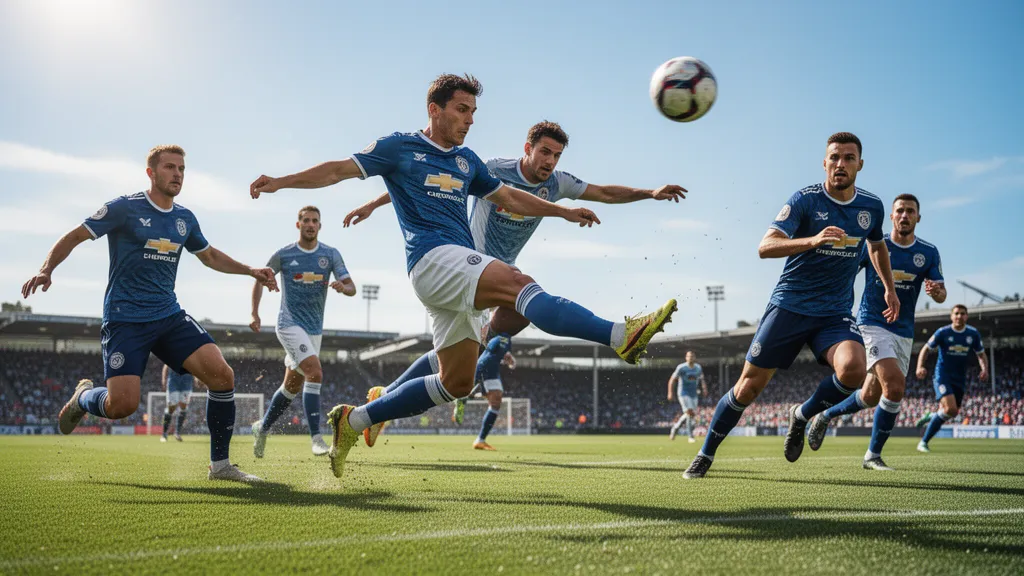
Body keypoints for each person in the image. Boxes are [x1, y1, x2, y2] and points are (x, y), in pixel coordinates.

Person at [248, 74, 677, 481]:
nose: (470, 119)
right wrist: (281, 183)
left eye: (473, 112)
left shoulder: (467, 161)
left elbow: (508, 196)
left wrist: (562, 211)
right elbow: (338, 169)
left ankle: (355, 419)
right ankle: (620, 334)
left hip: (459, 269)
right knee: (518, 285)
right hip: (432, 259)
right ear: (434, 109)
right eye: (462, 109)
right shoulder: (399, 146)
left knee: (457, 381)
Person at [344, 120, 686, 447]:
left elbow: (603, 192)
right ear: (528, 148)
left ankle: (379, 402)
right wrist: (374, 203)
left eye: (556, 155)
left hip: (495, 273)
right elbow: (428, 180)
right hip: (461, 264)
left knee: (470, 360)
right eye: (545, 152)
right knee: (523, 294)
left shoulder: (556, 184)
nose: (550, 162)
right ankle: (619, 336)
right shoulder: (492, 168)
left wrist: (650, 193)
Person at [22, 144, 277, 483]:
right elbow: (75, 235)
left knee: (222, 376)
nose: (177, 174)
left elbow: (210, 256)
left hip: (168, 315)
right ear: (151, 173)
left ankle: (221, 466)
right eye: (170, 167)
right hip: (125, 319)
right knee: (122, 406)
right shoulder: (124, 208)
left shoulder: (184, 218)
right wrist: (46, 269)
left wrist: (250, 270)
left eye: (182, 169)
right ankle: (83, 397)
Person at [683, 132, 898, 479]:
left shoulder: (871, 207)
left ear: (860, 164)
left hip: (834, 313)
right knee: (747, 388)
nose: (840, 164)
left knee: (854, 370)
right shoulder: (805, 200)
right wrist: (812, 240)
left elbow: (877, 246)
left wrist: (889, 288)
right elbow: (765, 246)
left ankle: (802, 415)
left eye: (848, 158)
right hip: (790, 306)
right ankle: (705, 453)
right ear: (824, 163)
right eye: (834, 158)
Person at [805, 194, 945, 470]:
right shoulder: (875, 244)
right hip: (871, 323)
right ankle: (872, 456)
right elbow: (843, 271)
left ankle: (825, 415)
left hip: (903, 332)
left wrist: (938, 292)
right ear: (891, 216)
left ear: (918, 217)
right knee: (894, 386)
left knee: (870, 396)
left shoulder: (928, 252)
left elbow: (941, 294)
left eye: (910, 211)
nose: (904, 216)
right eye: (900, 211)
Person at [250, 206, 355, 457]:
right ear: (298, 225)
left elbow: (352, 288)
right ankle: (316, 437)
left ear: (320, 226)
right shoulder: (284, 254)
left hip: (314, 330)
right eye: (306, 220)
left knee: (291, 386)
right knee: (315, 373)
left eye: (315, 221)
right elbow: (259, 278)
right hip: (288, 324)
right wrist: (255, 313)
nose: (310, 224)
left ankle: (262, 428)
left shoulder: (330, 255)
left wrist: (342, 287)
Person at [914, 305, 988, 452]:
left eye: (962, 313)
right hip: (943, 376)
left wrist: (985, 369)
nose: (959, 316)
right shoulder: (943, 332)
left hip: (960, 378)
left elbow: (981, 354)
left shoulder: (972, 334)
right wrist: (920, 366)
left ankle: (932, 415)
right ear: (951, 316)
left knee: (953, 412)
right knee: (950, 408)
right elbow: (926, 349)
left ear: (966, 316)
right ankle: (923, 442)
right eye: (956, 313)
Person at [667, 351, 707, 443]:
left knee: (690, 414)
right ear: (686, 357)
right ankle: (690, 436)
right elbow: (672, 380)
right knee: (689, 412)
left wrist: (704, 388)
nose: (691, 357)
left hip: (694, 394)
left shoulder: (698, 368)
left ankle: (675, 427)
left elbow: (701, 378)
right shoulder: (681, 367)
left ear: (695, 357)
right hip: (683, 393)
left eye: (692, 356)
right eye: (689, 356)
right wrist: (670, 392)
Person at [161, 364, 204, 442]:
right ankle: (164, 434)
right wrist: (164, 379)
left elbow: (194, 366)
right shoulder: (173, 352)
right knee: (171, 408)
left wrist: (196, 378)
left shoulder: (191, 354)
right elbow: (166, 365)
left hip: (186, 383)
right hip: (173, 383)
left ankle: (177, 432)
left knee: (183, 407)